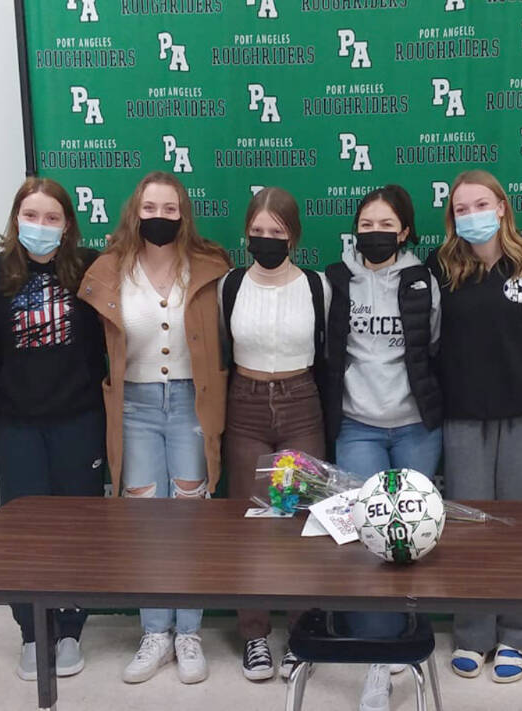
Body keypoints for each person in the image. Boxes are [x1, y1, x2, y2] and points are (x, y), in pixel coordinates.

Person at [78, 172, 230, 686]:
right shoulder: (107, 270)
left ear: (183, 214)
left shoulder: (210, 268)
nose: (159, 217)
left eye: (169, 209)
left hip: (192, 401)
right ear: (134, 212)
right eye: (150, 208)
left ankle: (188, 632)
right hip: (135, 406)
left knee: (191, 517)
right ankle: (154, 632)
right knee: (144, 519)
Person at [427, 170, 522, 684]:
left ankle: (521, 636)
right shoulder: (441, 268)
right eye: (462, 209)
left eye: (481, 204)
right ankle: (474, 633)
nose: (472, 215)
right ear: (452, 218)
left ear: (503, 207)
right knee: (467, 528)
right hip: (463, 416)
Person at [320, 184, 442, 711]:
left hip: (417, 426)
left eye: (386, 224)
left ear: (406, 231)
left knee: (412, 536)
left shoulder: (423, 279)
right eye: (366, 224)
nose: (376, 233)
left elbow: (434, 347)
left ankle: (406, 638)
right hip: (357, 426)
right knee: (368, 539)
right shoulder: (334, 280)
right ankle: (376, 656)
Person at [0, 178, 105, 682]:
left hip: (78, 420)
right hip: (17, 423)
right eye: (30, 216)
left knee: (78, 529)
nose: (40, 226)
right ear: (16, 220)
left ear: (68, 224)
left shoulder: (90, 268)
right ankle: (34, 631)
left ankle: (72, 629)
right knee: (22, 533)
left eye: (51, 217)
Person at [220, 187, 329, 682]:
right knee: (253, 524)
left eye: (277, 232)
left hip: (300, 406)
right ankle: (256, 635)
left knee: (299, 520)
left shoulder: (317, 286)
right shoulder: (230, 284)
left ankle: (301, 634)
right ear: (247, 234)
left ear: (294, 236)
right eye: (258, 232)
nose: (266, 240)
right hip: (244, 406)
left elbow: (327, 352)